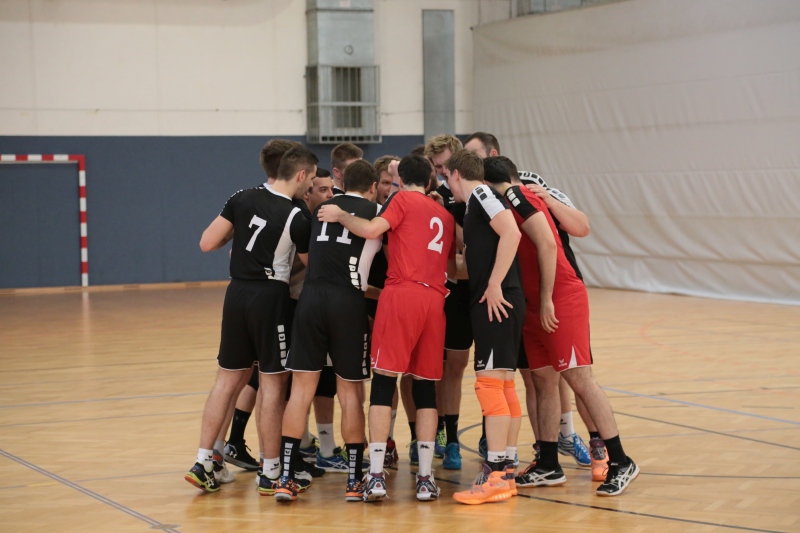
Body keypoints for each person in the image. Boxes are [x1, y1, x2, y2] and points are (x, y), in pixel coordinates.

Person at [488, 156, 640, 497]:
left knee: (580, 379)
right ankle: (548, 463)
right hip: (532, 303)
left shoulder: (519, 196)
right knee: (543, 382)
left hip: (558, 299)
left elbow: (547, 242)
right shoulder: (508, 202)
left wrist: (546, 300)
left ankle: (621, 460)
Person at [317, 154, 456, 502]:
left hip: (402, 294)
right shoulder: (444, 215)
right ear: (429, 182)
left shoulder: (401, 200)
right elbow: (452, 266)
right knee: (425, 388)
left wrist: (340, 215)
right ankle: (425, 478)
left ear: (400, 181)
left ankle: (376, 475)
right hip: (435, 300)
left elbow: (370, 230)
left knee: (383, 382)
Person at [185, 146, 318, 493]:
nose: (311, 185)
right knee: (272, 385)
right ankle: (271, 471)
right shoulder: (297, 216)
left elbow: (207, 242)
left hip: (236, 294)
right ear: (300, 175)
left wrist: (241, 239)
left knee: (226, 380)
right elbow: (313, 267)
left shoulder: (241, 197)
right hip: (270, 298)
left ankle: (203, 462)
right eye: (311, 178)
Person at [464, 132, 598, 475]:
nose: (473, 164)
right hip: (523, 298)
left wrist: (549, 201)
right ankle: (545, 453)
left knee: (574, 376)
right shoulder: (478, 195)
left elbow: (581, 226)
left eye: (476, 155)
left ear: (492, 154)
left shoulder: (528, 184)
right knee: (536, 379)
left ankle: (593, 444)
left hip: (556, 291)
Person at [275, 160, 383, 502]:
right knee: (350, 393)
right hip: (347, 301)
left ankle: (285, 477)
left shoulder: (321, 209)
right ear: (373, 186)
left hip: (310, 299)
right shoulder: (377, 211)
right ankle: (353, 481)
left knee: (300, 391)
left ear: (341, 183)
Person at [444, 150, 525, 505]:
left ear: (456, 174)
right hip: (506, 300)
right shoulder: (475, 204)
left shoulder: (480, 194)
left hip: (497, 300)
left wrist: (493, 284)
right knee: (504, 386)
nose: (448, 185)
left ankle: (495, 476)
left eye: (447, 177)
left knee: (490, 386)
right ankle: (506, 474)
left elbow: (512, 232)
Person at [424, 134, 469, 469]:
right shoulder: (439, 200)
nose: (442, 171)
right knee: (447, 368)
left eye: (445, 164)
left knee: (488, 370)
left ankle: (491, 439)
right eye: (437, 167)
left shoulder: (482, 196)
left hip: (485, 293)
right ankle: (449, 436)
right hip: (453, 294)